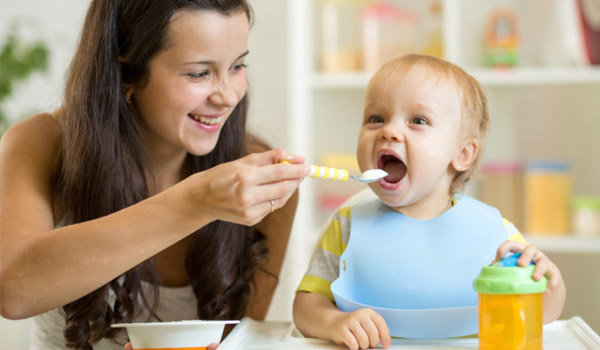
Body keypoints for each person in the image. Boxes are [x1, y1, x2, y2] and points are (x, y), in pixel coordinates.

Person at [0, 1, 311, 350]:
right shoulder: (42, 144)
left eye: (237, 65)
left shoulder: (259, 185)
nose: (227, 96)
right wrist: (197, 201)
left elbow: (238, 342)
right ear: (127, 73)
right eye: (198, 73)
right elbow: (12, 290)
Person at [292, 54, 566, 350]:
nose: (389, 131)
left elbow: (542, 316)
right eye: (376, 118)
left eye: (418, 121)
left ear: (462, 154)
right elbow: (306, 306)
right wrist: (333, 322)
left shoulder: (496, 234)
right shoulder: (346, 225)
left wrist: (549, 281)